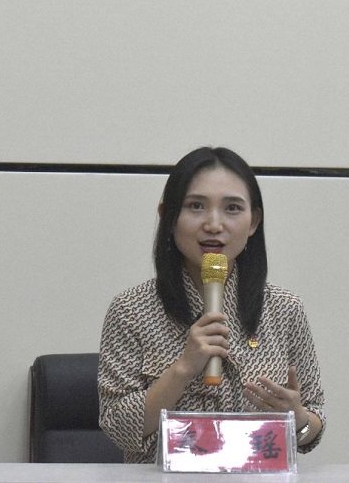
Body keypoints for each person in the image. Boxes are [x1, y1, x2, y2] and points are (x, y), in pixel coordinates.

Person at [98, 146, 325, 464]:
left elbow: (315, 421)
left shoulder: (284, 309)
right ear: (168, 216)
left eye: (232, 208)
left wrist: (298, 419)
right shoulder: (131, 310)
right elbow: (116, 427)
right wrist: (184, 368)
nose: (214, 224)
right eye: (196, 206)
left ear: (254, 221)